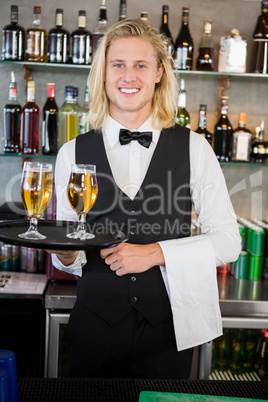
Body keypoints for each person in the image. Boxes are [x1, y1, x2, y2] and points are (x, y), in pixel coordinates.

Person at [51, 18, 241, 379]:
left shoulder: (195, 148)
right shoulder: (71, 153)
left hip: (168, 333)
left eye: (141, 65)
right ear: (103, 74)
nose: (129, 76)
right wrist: (64, 252)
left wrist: (156, 253)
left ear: (158, 73)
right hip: (94, 329)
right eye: (118, 64)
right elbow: (70, 255)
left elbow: (229, 242)